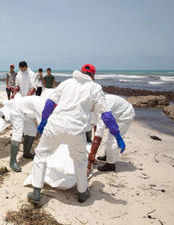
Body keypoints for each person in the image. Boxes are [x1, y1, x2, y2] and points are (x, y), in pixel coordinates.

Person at [27, 64, 126, 204]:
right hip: (76, 130)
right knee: (80, 161)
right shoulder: (95, 88)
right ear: (92, 75)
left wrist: (44, 121)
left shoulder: (67, 83)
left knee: (41, 155)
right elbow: (106, 115)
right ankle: (82, 193)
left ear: (81, 72)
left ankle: (36, 192)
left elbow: (50, 103)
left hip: (55, 125)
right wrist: (117, 136)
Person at [2, 93, 53, 172]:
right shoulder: (42, 107)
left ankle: (26, 153)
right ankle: (12, 162)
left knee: (32, 131)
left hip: (28, 114)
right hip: (17, 110)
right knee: (17, 134)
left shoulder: (48, 105)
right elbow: (42, 127)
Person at [88, 94, 135, 172]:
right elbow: (96, 126)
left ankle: (110, 165)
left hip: (124, 114)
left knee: (112, 139)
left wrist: (92, 156)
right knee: (108, 137)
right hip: (114, 112)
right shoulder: (93, 106)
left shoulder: (102, 111)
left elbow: (99, 135)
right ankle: (108, 156)